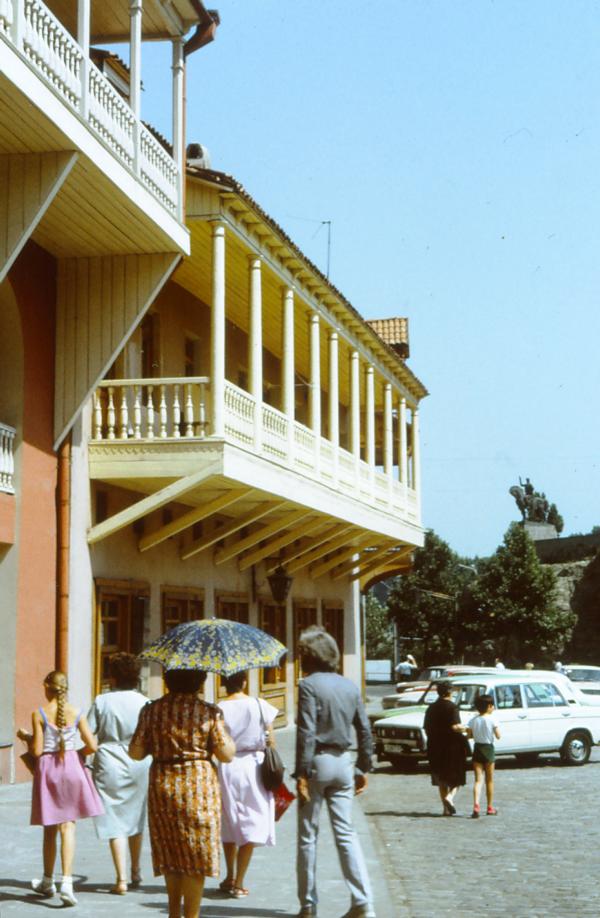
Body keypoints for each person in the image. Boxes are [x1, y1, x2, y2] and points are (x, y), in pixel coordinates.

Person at [129, 669, 235, 918]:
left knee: (171, 852)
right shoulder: (208, 712)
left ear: (167, 680)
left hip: (163, 785)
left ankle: (174, 912)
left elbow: (135, 752)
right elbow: (227, 754)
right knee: (196, 857)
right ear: (200, 682)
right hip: (198, 787)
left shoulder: (151, 710)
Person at [295, 626, 375, 918]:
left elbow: (306, 731)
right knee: (346, 834)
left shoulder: (308, 685)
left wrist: (301, 774)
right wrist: (364, 766)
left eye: (302, 653)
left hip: (317, 761)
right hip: (344, 761)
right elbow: (364, 729)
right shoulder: (349, 686)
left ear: (310, 656)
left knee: (308, 837)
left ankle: (308, 904)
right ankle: (362, 901)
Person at [17, 670, 103, 906]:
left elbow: (36, 751)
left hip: (49, 770)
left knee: (50, 828)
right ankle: (67, 882)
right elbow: (92, 745)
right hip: (72, 767)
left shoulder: (39, 713)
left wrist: (26, 736)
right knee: (68, 827)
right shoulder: (76, 712)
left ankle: (47, 879)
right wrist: (76, 755)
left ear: (47, 686)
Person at [87, 652, 151, 894]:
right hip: (139, 760)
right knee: (136, 815)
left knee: (114, 818)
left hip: (109, 760)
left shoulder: (103, 701)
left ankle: (121, 879)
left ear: (113, 676)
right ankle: (136, 871)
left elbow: (88, 732)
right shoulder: (144, 702)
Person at [217, 670, 278, 899]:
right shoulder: (259, 704)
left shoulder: (218, 708)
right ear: (244, 681)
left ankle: (230, 875)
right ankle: (239, 882)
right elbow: (271, 739)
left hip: (227, 765)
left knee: (229, 819)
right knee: (253, 819)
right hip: (253, 765)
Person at [423, 681, 468, 816]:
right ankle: (450, 797)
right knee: (457, 777)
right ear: (450, 692)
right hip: (452, 746)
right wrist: (466, 729)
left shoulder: (431, 707)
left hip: (435, 746)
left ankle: (445, 810)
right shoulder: (452, 707)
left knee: (442, 779)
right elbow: (455, 727)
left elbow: (426, 727)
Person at [462, 693, 501, 818]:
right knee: (489, 780)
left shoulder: (473, 720)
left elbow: (469, 735)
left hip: (477, 748)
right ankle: (489, 807)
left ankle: (476, 805)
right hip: (488, 749)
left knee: (478, 780)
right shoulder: (492, 719)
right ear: (489, 706)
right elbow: (498, 736)